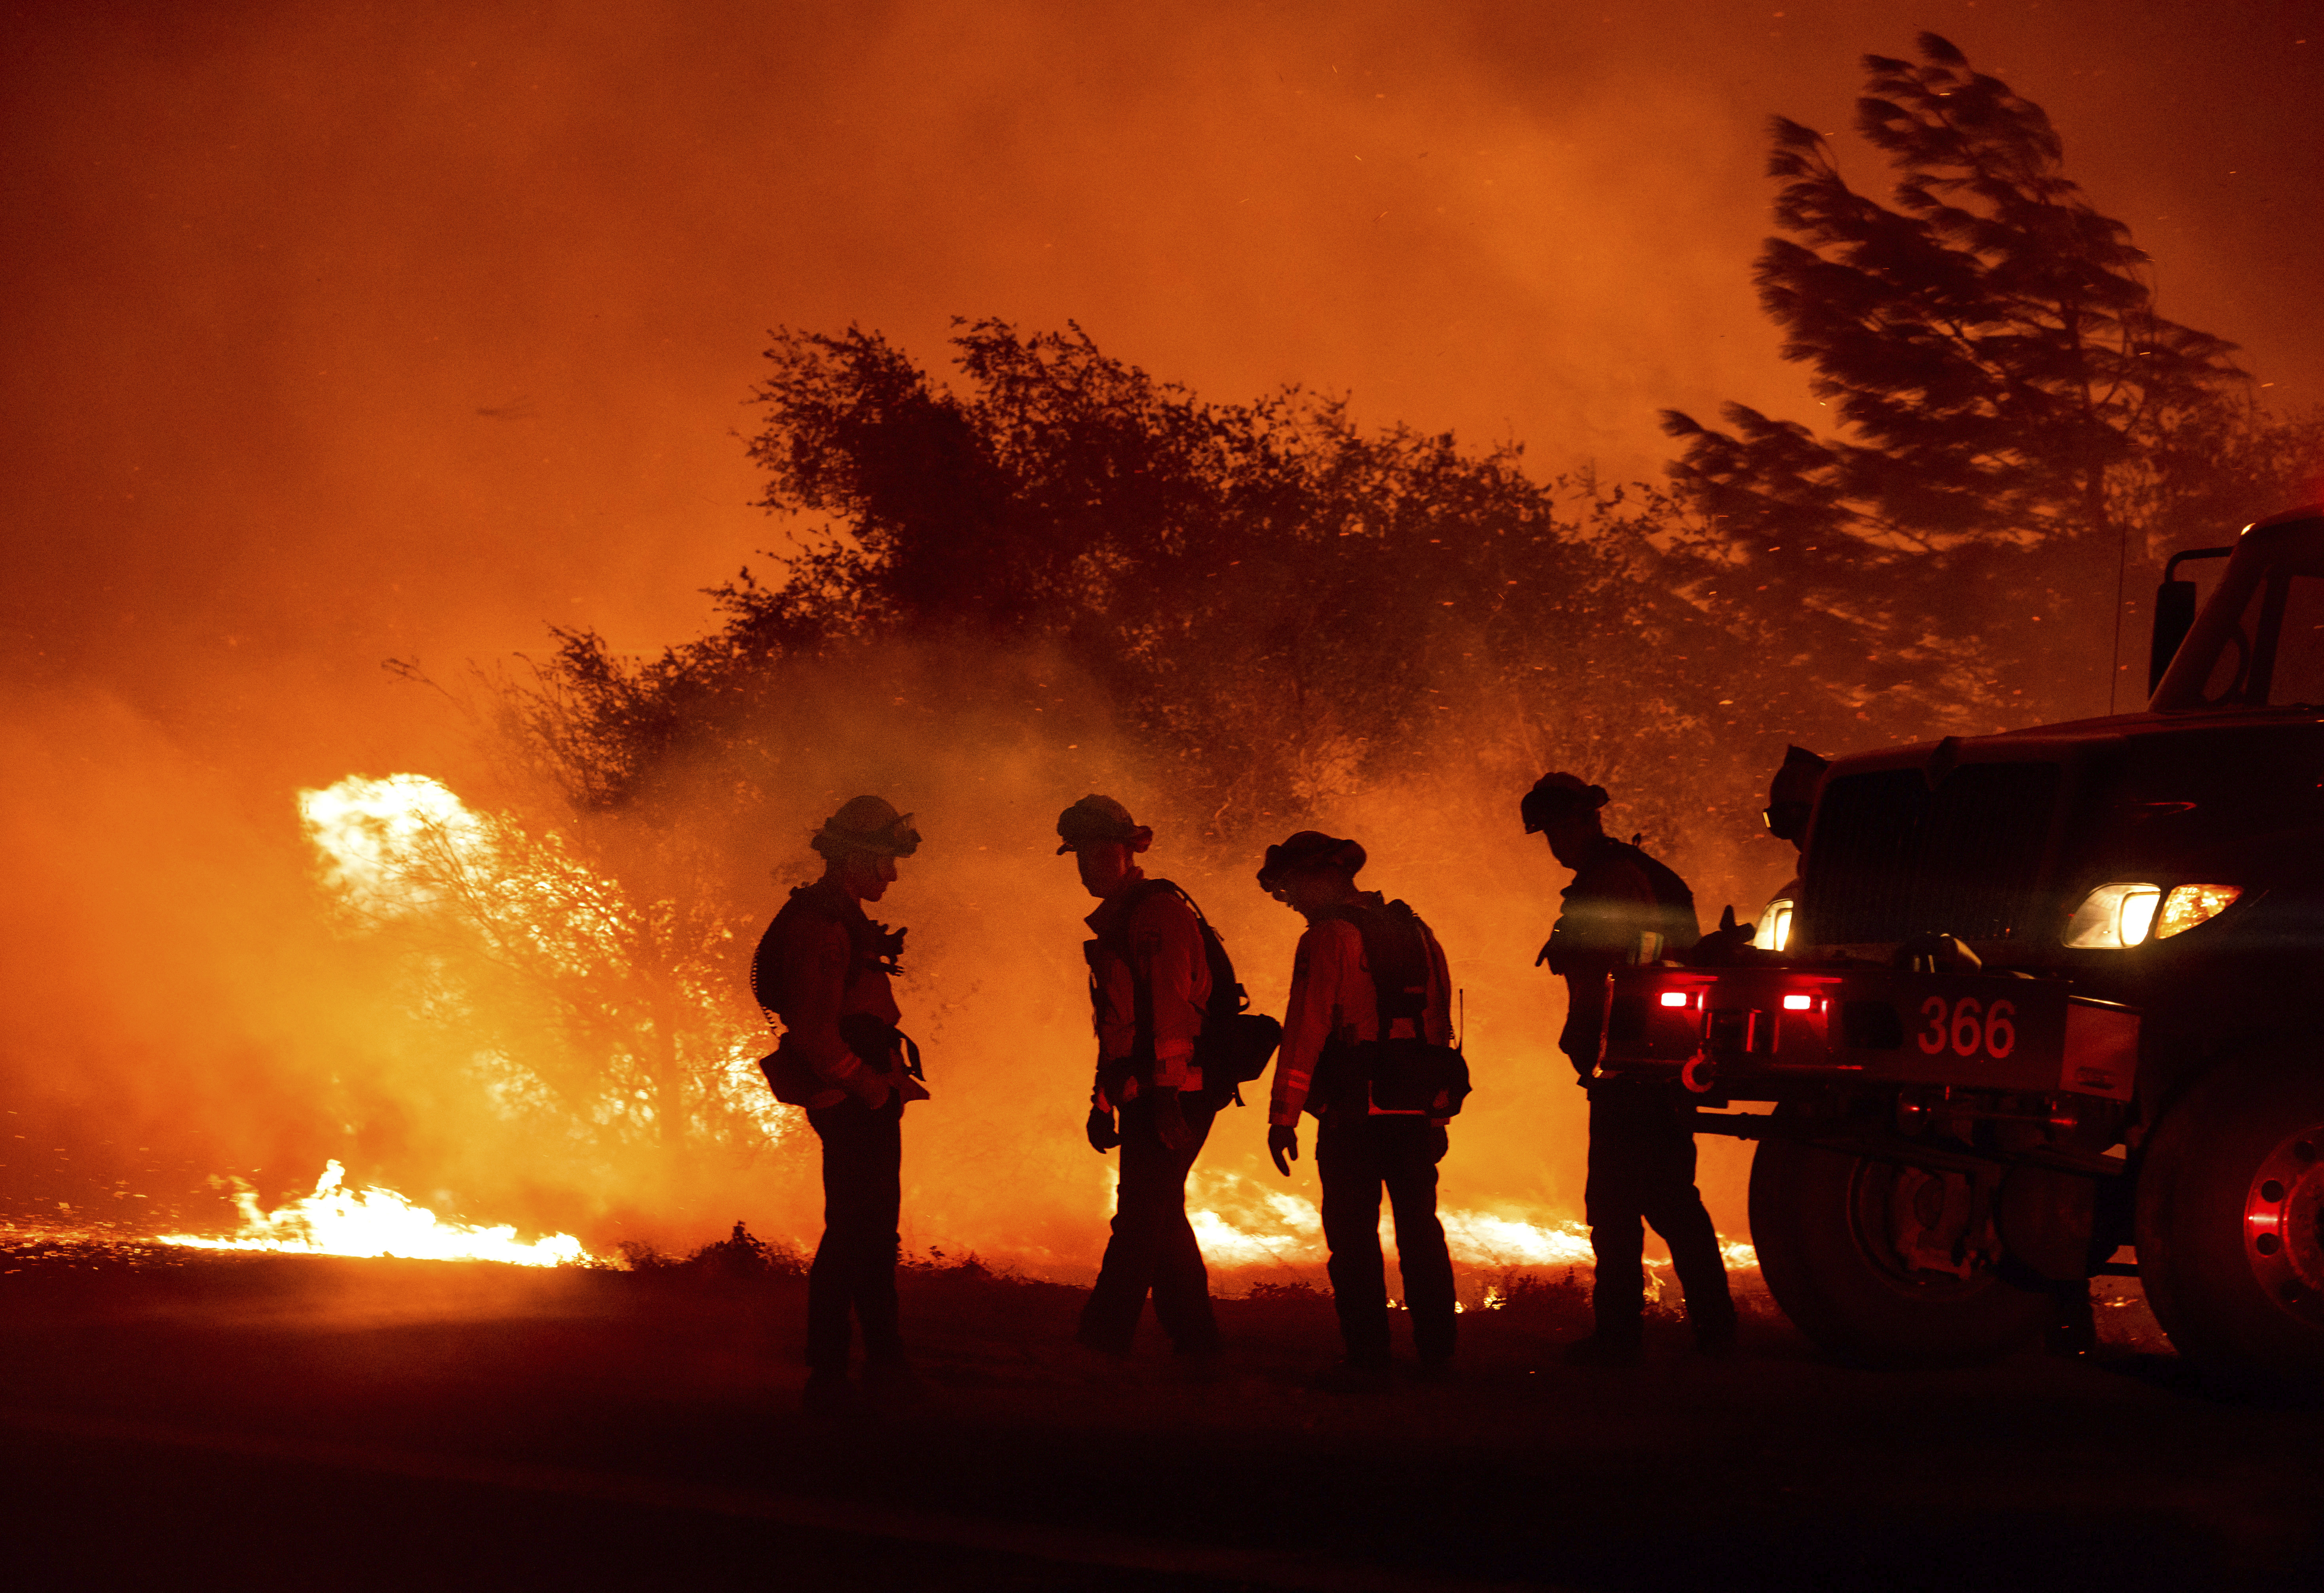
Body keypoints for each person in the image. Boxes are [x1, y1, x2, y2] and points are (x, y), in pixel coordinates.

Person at [1524, 772, 1736, 1364]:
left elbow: (1622, 970)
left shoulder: (1614, 881)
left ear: (1586, 822)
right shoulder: (1618, 875)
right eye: (1549, 833)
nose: (1556, 843)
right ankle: (1710, 1331)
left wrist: (1597, 1040)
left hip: (1638, 1068)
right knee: (1665, 1200)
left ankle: (1624, 1338)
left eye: (1561, 829)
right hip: (1647, 1064)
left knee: (1625, 1205)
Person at [1260, 831, 1461, 1390]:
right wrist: (1437, 1113)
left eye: (1293, 887)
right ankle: (1438, 1352)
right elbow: (1439, 1028)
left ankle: (1369, 1355)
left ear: (1321, 877)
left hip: (1354, 1114)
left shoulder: (1329, 937)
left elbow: (1306, 1027)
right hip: (1414, 1110)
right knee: (1422, 1231)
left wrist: (1284, 1115)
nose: (1292, 901)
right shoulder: (1418, 930)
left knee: (1352, 1238)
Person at [750, 795, 930, 1411]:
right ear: (855, 857)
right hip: (851, 1103)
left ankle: (881, 1362)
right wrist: (870, 1085)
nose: (892, 875)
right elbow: (816, 1032)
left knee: (872, 1236)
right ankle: (831, 1373)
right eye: (883, 861)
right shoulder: (823, 928)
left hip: (865, 1098)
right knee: (855, 1236)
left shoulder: (838, 919)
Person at [1058, 794, 1224, 1369]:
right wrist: (1103, 1099)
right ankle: (1197, 1341)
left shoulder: (1157, 915)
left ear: (1129, 851)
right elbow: (1120, 1028)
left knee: (1139, 1214)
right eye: (1079, 854)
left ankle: (1102, 1342)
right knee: (1159, 1210)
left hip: (1178, 1088)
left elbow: (1171, 1009)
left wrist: (1168, 1095)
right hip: (1150, 1088)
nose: (1088, 865)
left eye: (1100, 851)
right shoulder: (1124, 919)